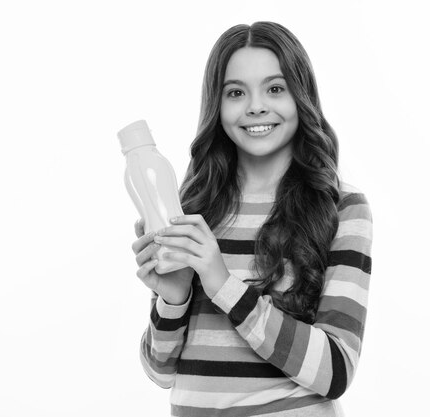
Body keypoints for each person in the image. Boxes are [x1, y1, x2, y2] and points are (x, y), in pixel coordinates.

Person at [131, 21, 373, 417]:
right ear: (217, 105)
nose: (256, 106)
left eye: (275, 88)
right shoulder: (192, 210)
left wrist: (221, 283)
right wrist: (173, 297)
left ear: (302, 97)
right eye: (236, 92)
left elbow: (336, 369)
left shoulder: (342, 209)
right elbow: (161, 372)